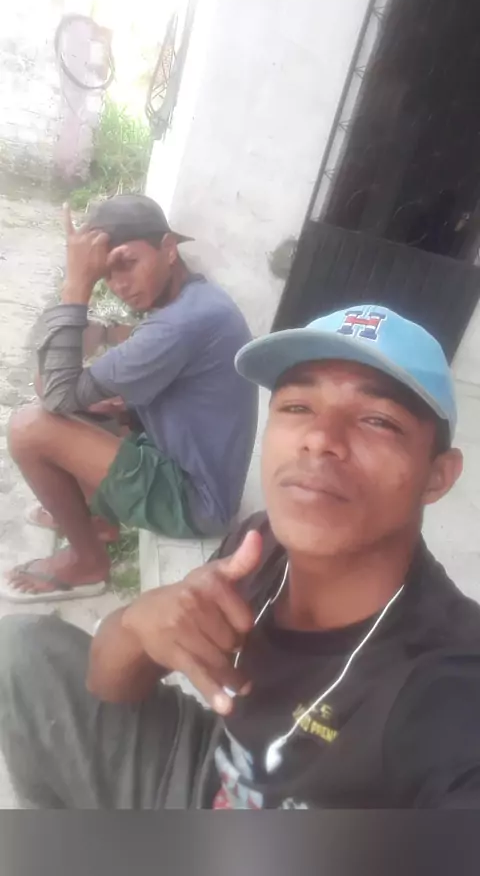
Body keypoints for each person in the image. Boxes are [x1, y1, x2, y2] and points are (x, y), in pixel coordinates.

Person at [1, 302, 480, 810]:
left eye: (378, 420)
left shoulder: (447, 689)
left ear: (438, 476)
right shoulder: (260, 546)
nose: (320, 438)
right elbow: (109, 685)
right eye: (297, 407)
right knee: (20, 650)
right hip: (212, 769)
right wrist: (139, 626)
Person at [3, 195, 257, 601]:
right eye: (105, 274)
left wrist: (76, 285)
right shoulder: (196, 298)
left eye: (127, 263)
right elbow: (66, 381)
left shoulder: (179, 325)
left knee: (29, 428)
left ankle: (87, 563)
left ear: (169, 248)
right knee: (80, 403)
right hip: (183, 460)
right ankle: (98, 520)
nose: (119, 285)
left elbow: (55, 393)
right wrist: (103, 336)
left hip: (195, 501)